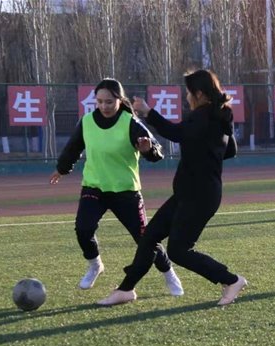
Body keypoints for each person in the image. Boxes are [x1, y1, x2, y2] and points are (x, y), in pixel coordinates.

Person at [97, 69, 246, 306]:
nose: (187, 97)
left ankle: (231, 280)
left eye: (188, 92)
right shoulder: (219, 114)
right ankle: (126, 289)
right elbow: (231, 150)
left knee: (179, 251)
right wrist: (207, 154)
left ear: (199, 94)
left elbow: (176, 133)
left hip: (199, 195)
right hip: (190, 192)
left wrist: (148, 112)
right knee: (150, 237)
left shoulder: (203, 115)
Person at [49, 78, 183, 296]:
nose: (104, 106)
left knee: (145, 239)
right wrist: (62, 169)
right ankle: (95, 265)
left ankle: (168, 273)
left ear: (120, 100)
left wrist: (148, 150)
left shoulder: (130, 123)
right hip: (94, 187)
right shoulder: (87, 122)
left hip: (125, 191)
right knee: (83, 229)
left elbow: (157, 152)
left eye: (109, 102)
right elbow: (73, 148)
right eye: (100, 101)